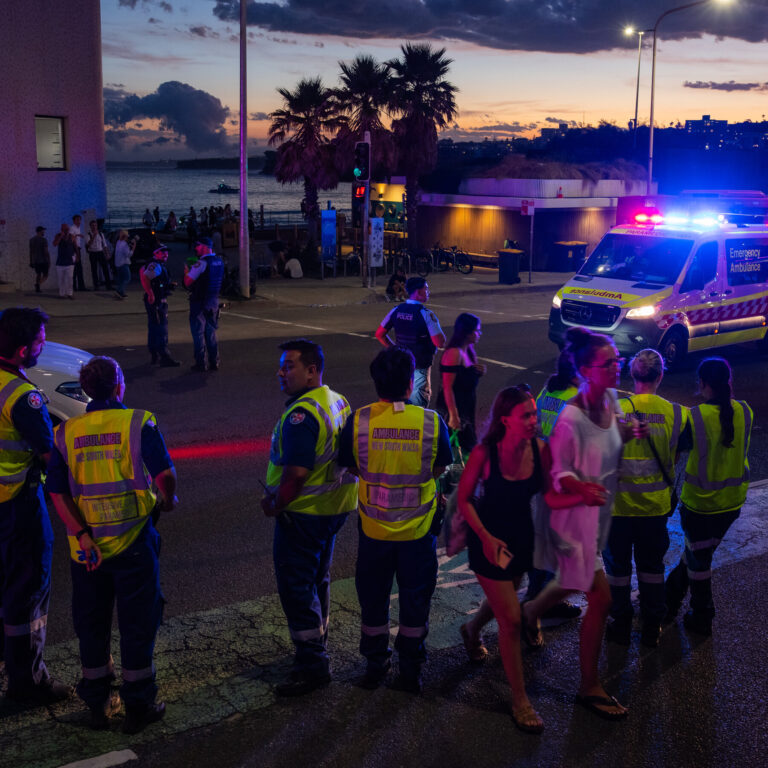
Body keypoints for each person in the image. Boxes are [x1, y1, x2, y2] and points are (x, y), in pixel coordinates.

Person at [47, 356, 176, 733]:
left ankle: (98, 702)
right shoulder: (138, 421)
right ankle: (139, 704)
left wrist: (82, 533)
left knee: (92, 623)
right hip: (133, 539)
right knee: (137, 623)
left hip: (86, 550)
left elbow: (57, 492)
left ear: (86, 389)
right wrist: (168, 500)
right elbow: (165, 475)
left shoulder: (66, 432)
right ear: (119, 385)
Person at [522, 327, 646, 721]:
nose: (616, 367)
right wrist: (583, 488)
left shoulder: (611, 401)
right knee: (601, 597)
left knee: (575, 583)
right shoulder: (570, 418)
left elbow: (610, 438)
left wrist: (627, 433)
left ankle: (531, 611)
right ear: (587, 370)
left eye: (617, 361)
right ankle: (589, 686)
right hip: (570, 517)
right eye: (608, 363)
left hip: (597, 515)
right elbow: (557, 475)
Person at [338, 347, 452, 693]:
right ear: (410, 384)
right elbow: (439, 469)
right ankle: (410, 669)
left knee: (373, 600)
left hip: (374, 532)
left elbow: (352, 467)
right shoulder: (431, 422)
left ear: (377, 384)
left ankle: (375, 664)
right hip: (418, 534)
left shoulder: (358, 421)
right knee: (415, 603)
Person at [260, 340, 358, 696]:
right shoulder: (338, 400)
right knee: (319, 579)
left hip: (303, 514)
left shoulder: (302, 415)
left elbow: (297, 474)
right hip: (335, 509)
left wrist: (277, 504)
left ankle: (312, 664)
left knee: (297, 587)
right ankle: (318, 643)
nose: (281, 373)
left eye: (289, 366)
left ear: (312, 370)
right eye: (282, 366)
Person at [457, 386, 548, 733]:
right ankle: (520, 700)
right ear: (505, 419)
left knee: (503, 601)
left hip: (521, 540)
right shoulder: (485, 453)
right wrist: (486, 538)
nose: (533, 421)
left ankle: (471, 629)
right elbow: (464, 499)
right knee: (510, 619)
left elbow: (553, 491)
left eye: (535, 413)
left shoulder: (541, 451)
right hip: (487, 541)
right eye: (525, 415)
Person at [0, 308, 72, 705]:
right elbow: (48, 455)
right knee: (27, 594)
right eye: (42, 341)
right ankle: (27, 682)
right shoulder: (22, 397)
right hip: (17, 506)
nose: (43, 346)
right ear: (25, 349)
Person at [603, 349, 687, 648]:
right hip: (655, 508)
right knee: (652, 569)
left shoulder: (614, 409)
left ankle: (620, 624)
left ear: (633, 375)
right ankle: (652, 626)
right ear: (660, 375)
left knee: (617, 570)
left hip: (619, 508)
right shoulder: (678, 413)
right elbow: (674, 457)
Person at [664, 357, 752, 637]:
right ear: (729, 381)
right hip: (732, 504)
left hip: (700, 505)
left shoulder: (697, 417)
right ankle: (670, 598)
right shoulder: (746, 411)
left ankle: (702, 613)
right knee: (697, 554)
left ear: (702, 384)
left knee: (699, 560)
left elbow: (676, 454)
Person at [525, 350, 583, 619]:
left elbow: (535, 425)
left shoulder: (547, 391)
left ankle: (537, 594)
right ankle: (543, 600)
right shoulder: (575, 399)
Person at [374, 277, 446, 408]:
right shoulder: (426, 314)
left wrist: (395, 349)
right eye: (426, 289)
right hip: (419, 365)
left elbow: (379, 334)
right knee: (417, 406)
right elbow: (440, 342)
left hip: (400, 366)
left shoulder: (396, 310)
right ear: (418, 292)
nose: (428, 292)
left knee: (399, 405)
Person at [435, 312, 486, 455]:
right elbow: (447, 386)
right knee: (459, 449)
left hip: (466, 409)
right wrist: (453, 415)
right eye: (477, 330)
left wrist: (479, 372)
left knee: (465, 449)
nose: (479, 333)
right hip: (455, 410)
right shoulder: (453, 353)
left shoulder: (468, 351)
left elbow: (464, 378)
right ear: (467, 333)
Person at [183, 237, 224, 372]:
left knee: (198, 334)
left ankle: (201, 363)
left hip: (199, 303)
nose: (195, 248)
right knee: (211, 333)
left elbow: (188, 282)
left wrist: (186, 273)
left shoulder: (201, 263)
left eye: (198, 246)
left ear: (205, 247)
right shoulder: (219, 261)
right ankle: (214, 361)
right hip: (213, 302)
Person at [139, 245, 180, 367]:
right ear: (155, 254)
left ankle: (154, 355)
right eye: (162, 252)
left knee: (153, 327)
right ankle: (164, 356)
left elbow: (147, 277)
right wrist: (151, 293)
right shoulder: (155, 265)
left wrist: (167, 286)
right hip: (157, 301)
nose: (166, 255)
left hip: (155, 299)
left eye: (166, 252)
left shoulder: (154, 265)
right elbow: (146, 277)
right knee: (161, 328)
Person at [86, 220, 112, 291]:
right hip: (93, 253)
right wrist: (93, 236)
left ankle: (108, 285)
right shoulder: (88, 235)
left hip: (100, 252)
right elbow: (88, 244)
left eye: (95, 225)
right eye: (93, 225)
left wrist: (107, 254)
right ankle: (96, 286)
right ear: (90, 226)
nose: (94, 227)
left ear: (97, 226)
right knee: (94, 270)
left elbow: (104, 245)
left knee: (105, 269)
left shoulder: (101, 234)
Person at [52, 223, 76, 299]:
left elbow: (75, 246)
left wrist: (77, 256)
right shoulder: (58, 235)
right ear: (61, 229)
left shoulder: (72, 236)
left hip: (69, 261)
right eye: (64, 229)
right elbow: (54, 244)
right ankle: (62, 294)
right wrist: (61, 237)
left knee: (70, 278)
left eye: (67, 229)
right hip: (60, 262)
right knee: (61, 279)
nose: (66, 230)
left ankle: (70, 294)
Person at [113, 230, 135, 299]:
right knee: (127, 278)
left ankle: (121, 293)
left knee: (121, 279)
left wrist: (129, 245)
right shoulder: (124, 244)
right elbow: (129, 254)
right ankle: (118, 290)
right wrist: (133, 247)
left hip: (117, 264)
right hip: (123, 264)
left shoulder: (118, 242)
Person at [28, 226, 50, 293]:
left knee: (38, 274)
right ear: (40, 231)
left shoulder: (31, 240)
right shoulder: (43, 240)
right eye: (43, 231)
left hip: (36, 260)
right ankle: (37, 284)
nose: (44, 232)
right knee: (46, 275)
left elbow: (31, 251)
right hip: (43, 260)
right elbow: (45, 251)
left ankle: (37, 288)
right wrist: (48, 259)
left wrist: (31, 261)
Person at [69, 214, 87, 291]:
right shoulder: (72, 228)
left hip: (78, 248)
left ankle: (80, 286)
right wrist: (77, 252)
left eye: (80, 220)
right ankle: (75, 286)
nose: (79, 221)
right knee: (75, 268)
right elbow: (71, 239)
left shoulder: (78, 228)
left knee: (78, 268)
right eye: (77, 220)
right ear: (74, 220)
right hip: (74, 249)